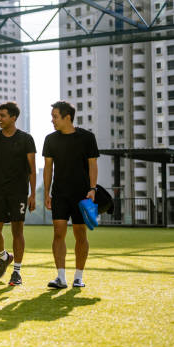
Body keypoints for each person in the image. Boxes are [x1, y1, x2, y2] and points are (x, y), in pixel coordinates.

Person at [0, 101, 36, 286]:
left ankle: (16, 272)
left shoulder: (26, 139)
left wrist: (33, 194)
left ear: (13, 117)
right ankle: (4, 257)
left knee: (17, 231)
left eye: (2, 115)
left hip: (18, 192)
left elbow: (32, 168)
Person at [43, 101, 99, 288]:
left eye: (55, 117)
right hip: (60, 194)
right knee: (58, 232)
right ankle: (60, 277)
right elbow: (48, 168)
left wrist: (92, 189)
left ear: (67, 117)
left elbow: (92, 164)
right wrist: (46, 193)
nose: (52, 120)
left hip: (82, 195)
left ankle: (78, 277)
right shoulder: (50, 139)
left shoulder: (87, 138)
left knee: (80, 234)